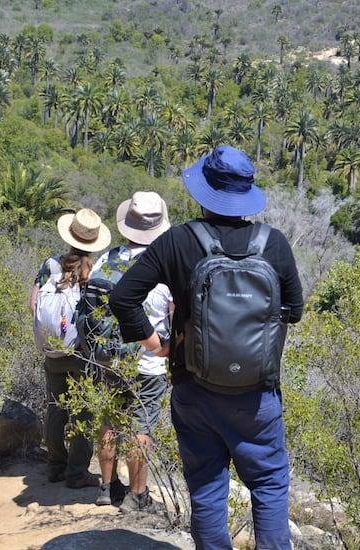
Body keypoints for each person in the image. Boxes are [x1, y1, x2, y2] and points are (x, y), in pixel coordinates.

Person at [110, 146, 304, 549]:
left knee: (207, 485)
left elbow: (123, 296)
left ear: (204, 192)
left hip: (194, 389)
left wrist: (155, 344)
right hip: (257, 396)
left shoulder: (177, 241)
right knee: (268, 484)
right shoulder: (275, 244)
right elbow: (295, 311)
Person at [94, 191, 174, 511]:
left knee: (109, 422)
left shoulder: (106, 260)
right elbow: (174, 313)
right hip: (150, 359)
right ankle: (137, 496)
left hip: (110, 355)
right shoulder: (165, 267)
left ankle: (105, 487)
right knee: (142, 427)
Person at [34, 208, 114, 490]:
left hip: (53, 350)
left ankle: (55, 466)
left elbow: (33, 304)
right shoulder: (94, 271)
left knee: (56, 407)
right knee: (84, 412)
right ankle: (77, 472)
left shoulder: (50, 265)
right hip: (82, 353)